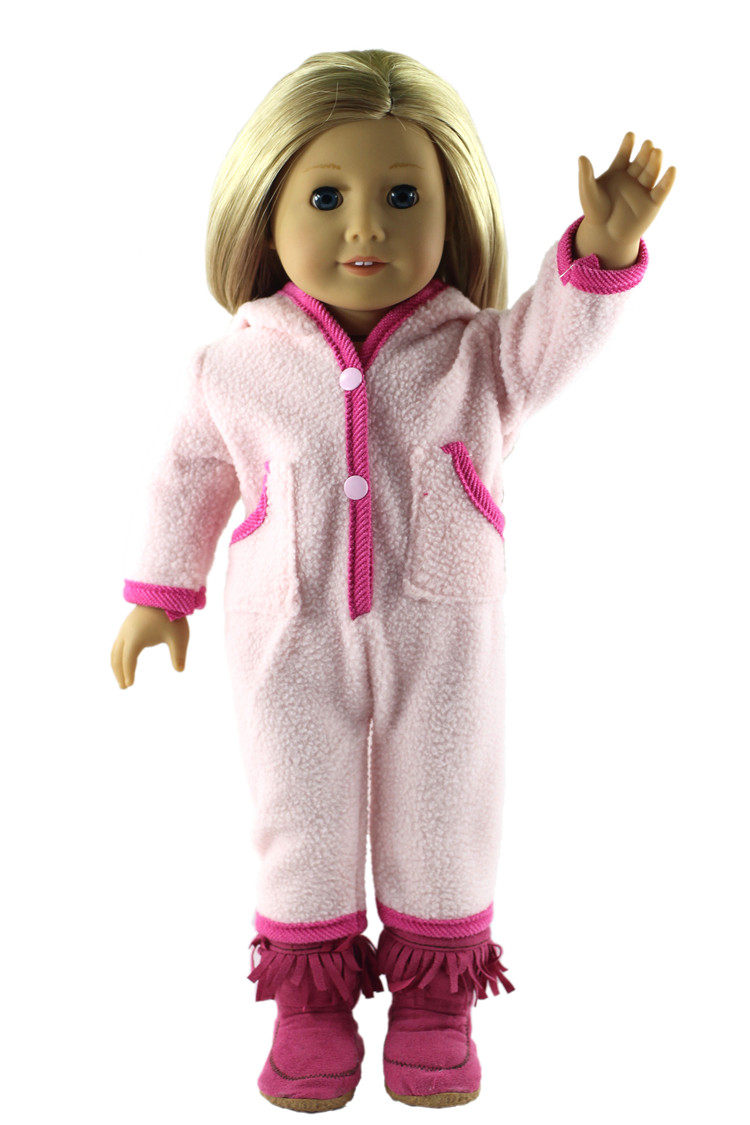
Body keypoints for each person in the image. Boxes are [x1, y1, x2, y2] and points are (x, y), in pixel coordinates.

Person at [110, 48, 675, 1112]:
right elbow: (187, 475)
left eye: (402, 196)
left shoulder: (481, 354)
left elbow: (556, 340)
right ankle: (310, 1002)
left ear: (451, 211)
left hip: (445, 627)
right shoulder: (233, 364)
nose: (365, 225)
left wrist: (601, 249)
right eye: (326, 197)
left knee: (446, 802)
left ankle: (435, 999)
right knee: (297, 804)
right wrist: (158, 595)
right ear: (266, 210)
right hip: (284, 628)